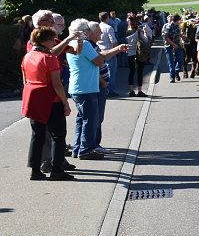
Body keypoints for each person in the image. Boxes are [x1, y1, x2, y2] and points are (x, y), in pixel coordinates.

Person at [66, 19, 126, 160]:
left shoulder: (71, 43)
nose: (89, 32)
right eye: (87, 29)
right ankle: (86, 149)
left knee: (82, 119)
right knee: (90, 119)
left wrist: (117, 49)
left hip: (78, 86)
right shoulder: (85, 44)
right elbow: (99, 61)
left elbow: (99, 57)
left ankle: (78, 147)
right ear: (82, 32)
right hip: (86, 87)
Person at [22, 27, 75, 181]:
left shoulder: (27, 56)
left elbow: (25, 80)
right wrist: (66, 102)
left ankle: (35, 170)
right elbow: (57, 84)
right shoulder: (49, 58)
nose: (54, 42)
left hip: (34, 100)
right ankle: (57, 170)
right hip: (52, 100)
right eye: (52, 39)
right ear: (44, 41)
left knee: (37, 135)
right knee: (58, 136)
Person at [125, 15, 150, 97]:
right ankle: (139, 90)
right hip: (138, 53)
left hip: (130, 54)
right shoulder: (139, 31)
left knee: (131, 72)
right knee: (140, 72)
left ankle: (131, 90)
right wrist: (145, 32)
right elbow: (145, 40)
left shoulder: (127, 32)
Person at [97, 12, 120, 96]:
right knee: (111, 72)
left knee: (101, 72)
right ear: (107, 18)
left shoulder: (97, 27)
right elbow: (113, 41)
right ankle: (110, 90)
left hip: (99, 52)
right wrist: (117, 50)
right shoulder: (109, 28)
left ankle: (102, 88)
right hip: (109, 52)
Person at [161, 14, 184, 83]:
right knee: (171, 62)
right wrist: (173, 44)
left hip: (177, 45)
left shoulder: (176, 26)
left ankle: (176, 72)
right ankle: (172, 77)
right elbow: (165, 37)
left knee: (181, 60)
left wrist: (183, 36)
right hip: (169, 46)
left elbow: (177, 33)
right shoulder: (169, 26)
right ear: (177, 20)